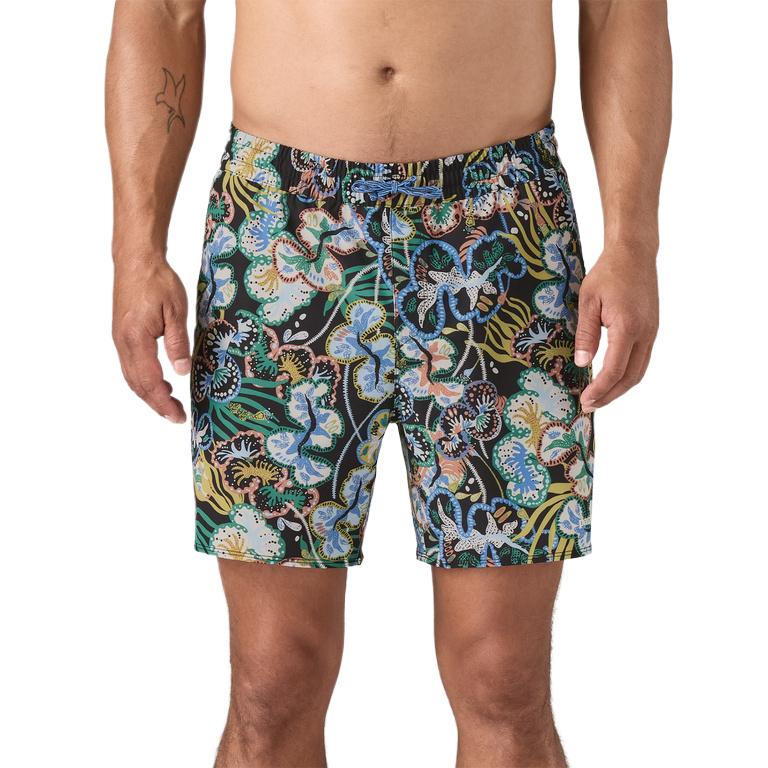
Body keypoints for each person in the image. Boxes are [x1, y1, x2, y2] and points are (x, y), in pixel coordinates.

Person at [105, 1, 671, 765]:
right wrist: (135, 251)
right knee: (272, 681)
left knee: (502, 678)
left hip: (501, 226)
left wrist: (633, 242)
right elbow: (164, 11)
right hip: (283, 223)